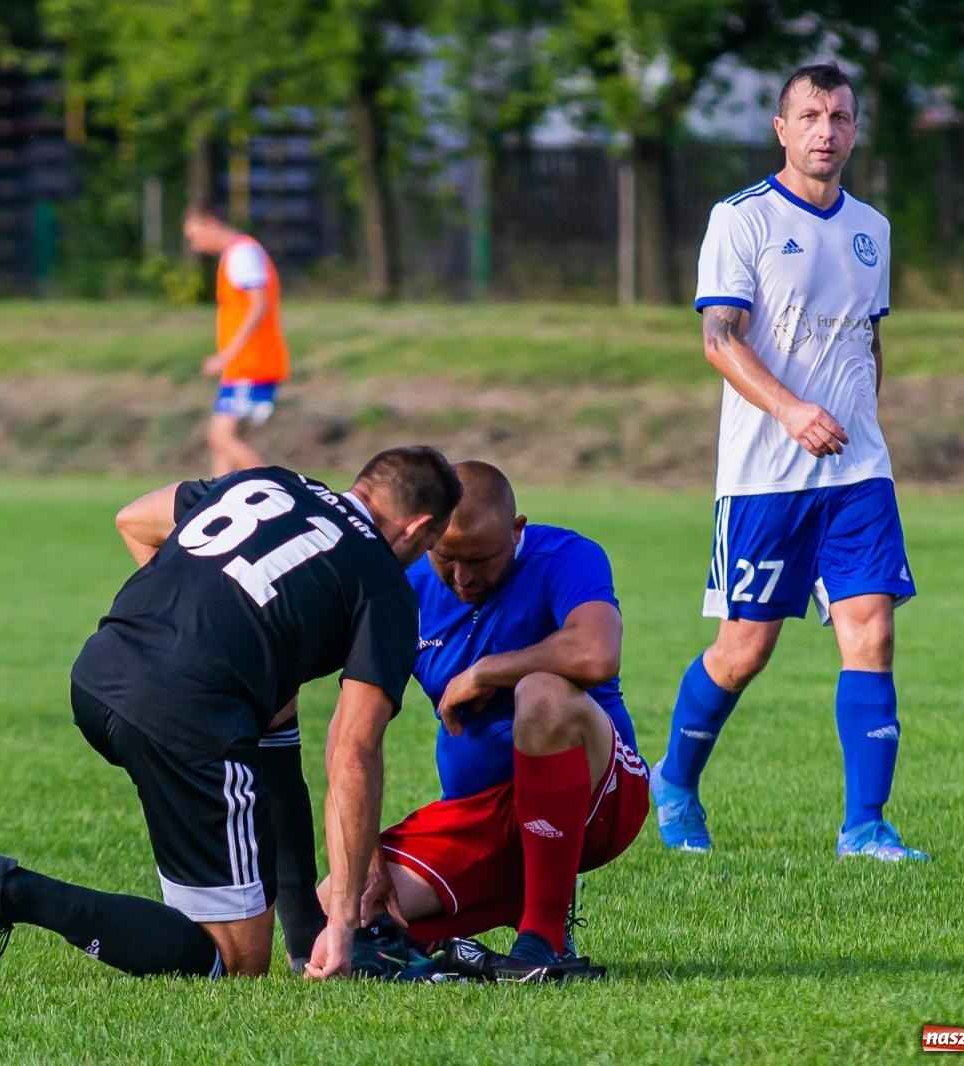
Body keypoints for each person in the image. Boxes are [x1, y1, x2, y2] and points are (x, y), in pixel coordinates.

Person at [0, 447, 463, 981]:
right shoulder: (384, 585)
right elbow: (353, 752)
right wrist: (345, 922)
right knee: (233, 963)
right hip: (184, 718)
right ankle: (13, 893)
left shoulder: (266, 482)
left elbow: (135, 520)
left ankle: (302, 935)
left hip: (99, 673)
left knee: (276, 721)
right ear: (418, 528)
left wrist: (204, 628)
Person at [651, 62, 927, 862]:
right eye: (810, 115)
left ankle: (865, 826)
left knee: (870, 632)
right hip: (766, 476)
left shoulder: (872, 227)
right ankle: (676, 780)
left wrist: (858, 421)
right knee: (746, 650)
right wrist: (792, 411)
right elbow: (718, 338)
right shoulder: (740, 220)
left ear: (855, 129)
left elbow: (869, 338)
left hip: (858, 474)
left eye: (840, 116)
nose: (825, 131)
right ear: (781, 128)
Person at [316, 460, 648, 982]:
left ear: (517, 532)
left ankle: (545, 937)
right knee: (338, 911)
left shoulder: (565, 555)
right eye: (447, 558)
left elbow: (597, 652)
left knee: (542, 693)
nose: (465, 577)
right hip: (479, 816)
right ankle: (476, 931)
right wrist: (365, 856)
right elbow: (347, 735)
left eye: (483, 560)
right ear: (426, 537)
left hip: (600, 795)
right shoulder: (403, 589)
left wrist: (489, 672)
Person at [182, 203, 291, 476]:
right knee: (223, 449)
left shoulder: (243, 253)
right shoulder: (237, 253)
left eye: (195, 235)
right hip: (242, 366)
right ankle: (216, 506)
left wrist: (227, 354)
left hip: (252, 363)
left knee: (220, 437)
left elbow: (259, 304)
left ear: (211, 223)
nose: (196, 245)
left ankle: (275, 495)